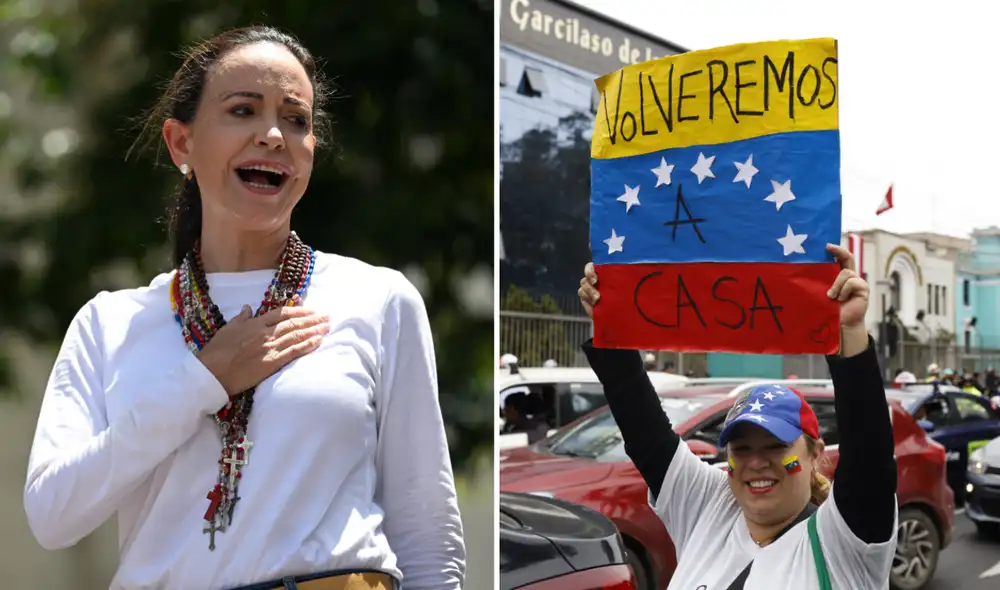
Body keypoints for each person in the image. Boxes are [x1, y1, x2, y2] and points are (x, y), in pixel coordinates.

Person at [23, 26, 464, 590]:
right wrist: (202, 381)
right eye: (243, 111)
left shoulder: (377, 299)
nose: (274, 135)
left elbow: (428, 532)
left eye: (296, 119)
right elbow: (53, 514)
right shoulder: (110, 323)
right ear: (181, 144)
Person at [576, 244, 897, 589]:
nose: (755, 462)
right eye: (741, 449)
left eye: (775, 446)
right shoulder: (709, 507)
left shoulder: (842, 544)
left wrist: (848, 333)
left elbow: (869, 458)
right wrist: (612, 322)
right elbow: (645, 433)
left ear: (816, 453)